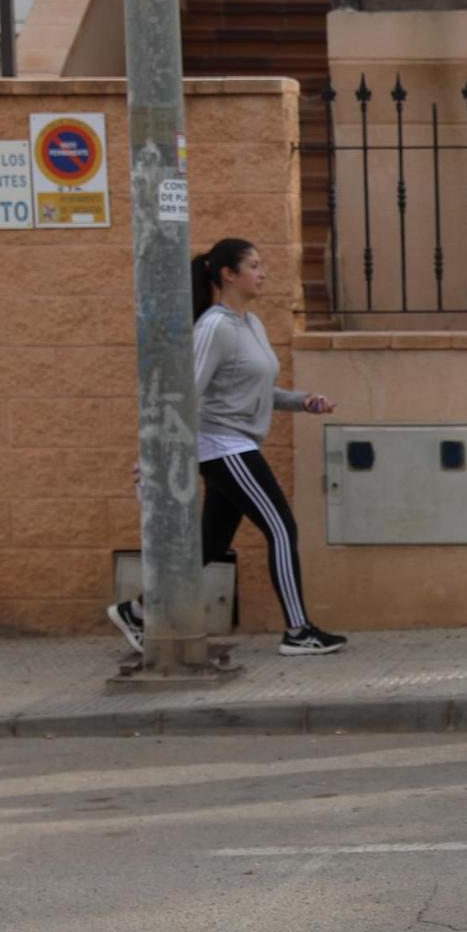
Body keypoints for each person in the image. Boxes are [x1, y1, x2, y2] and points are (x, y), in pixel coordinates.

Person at [106, 238, 347, 657]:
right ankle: (298, 631)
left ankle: (138, 610)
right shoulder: (214, 327)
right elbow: (184, 396)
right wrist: (152, 459)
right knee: (281, 526)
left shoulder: (250, 324)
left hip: (237, 443)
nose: (263, 272)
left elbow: (258, 390)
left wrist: (303, 401)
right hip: (222, 445)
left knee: (212, 545)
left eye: (262, 264)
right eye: (254, 265)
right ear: (228, 275)